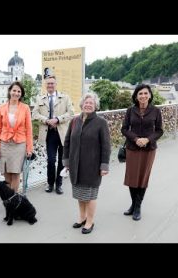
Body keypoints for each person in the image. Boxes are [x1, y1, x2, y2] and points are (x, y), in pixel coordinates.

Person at [63, 93, 111, 234]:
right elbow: (67, 142)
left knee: (90, 196)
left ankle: (90, 221)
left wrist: (104, 166)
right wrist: (66, 161)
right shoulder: (75, 121)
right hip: (75, 165)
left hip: (92, 167)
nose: (88, 105)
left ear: (95, 106)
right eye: (86, 102)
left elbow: (106, 146)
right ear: (82, 105)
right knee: (80, 194)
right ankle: (82, 217)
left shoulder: (101, 122)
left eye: (91, 103)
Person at [121, 84, 163, 221]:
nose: (143, 96)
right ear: (136, 96)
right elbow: (124, 129)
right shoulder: (130, 110)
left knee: (143, 177)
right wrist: (135, 138)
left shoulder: (156, 111)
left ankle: (138, 207)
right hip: (132, 148)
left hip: (149, 149)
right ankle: (133, 205)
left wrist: (148, 140)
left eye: (146, 93)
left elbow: (159, 130)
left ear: (150, 95)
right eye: (140, 94)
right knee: (132, 177)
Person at [32, 75, 74, 194]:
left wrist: (57, 119)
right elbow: (34, 114)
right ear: (46, 85)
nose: (50, 85)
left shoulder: (65, 98)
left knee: (62, 160)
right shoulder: (40, 99)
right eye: (48, 83)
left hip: (62, 133)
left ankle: (59, 184)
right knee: (51, 160)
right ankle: (50, 184)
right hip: (48, 134)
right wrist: (46, 120)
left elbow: (71, 112)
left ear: (56, 84)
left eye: (52, 83)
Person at [0, 81, 33, 193]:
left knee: (16, 174)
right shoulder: (1, 108)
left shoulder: (25, 108)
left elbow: (29, 129)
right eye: (14, 90)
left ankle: (13, 200)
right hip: (4, 144)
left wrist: (29, 148)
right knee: (7, 175)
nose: (16, 93)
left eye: (19, 91)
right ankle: (9, 199)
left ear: (21, 94)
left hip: (19, 145)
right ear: (10, 91)